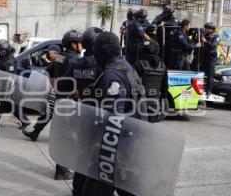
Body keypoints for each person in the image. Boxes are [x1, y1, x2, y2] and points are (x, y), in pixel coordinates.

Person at [79, 32, 146, 196]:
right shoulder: (127, 67)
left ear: (103, 51)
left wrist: (103, 151)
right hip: (129, 142)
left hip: (114, 147)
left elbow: (114, 118)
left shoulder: (112, 74)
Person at [22, 30, 83, 181]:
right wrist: (76, 93)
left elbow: (48, 72)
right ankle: (62, 171)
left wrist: (56, 87)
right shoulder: (75, 60)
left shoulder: (60, 57)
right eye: (80, 42)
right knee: (68, 137)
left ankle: (61, 169)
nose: (82, 45)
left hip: (60, 98)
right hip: (70, 101)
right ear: (74, 44)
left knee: (62, 134)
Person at [63, 27, 103, 196]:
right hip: (98, 115)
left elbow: (63, 85)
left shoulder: (75, 63)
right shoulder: (102, 65)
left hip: (81, 113)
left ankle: (77, 190)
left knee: (81, 156)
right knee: (96, 159)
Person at [0, 39, 30, 131]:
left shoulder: (9, 61)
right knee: (11, 105)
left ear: (7, 50)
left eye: (3, 50)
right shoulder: (3, 59)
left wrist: (5, 90)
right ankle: (25, 120)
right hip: (1, 86)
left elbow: (9, 77)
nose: (1, 52)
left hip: (7, 87)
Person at [133, 26, 168, 123]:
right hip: (155, 105)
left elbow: (131, 84)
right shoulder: (163, 66)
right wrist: (161, 103)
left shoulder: (139, 65)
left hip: (139, 105)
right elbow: (165, 87)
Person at [200, 22, 219, 96]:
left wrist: (206, 41)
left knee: (210, 75)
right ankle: (201, 88)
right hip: (204, 57)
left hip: (211, 58)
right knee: (201, 74)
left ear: (211, 29)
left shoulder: (215, 36)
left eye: (207, 28)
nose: (206, 29)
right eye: (205, 28)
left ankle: (208, 91)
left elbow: (214, 45)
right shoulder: (204, 34)